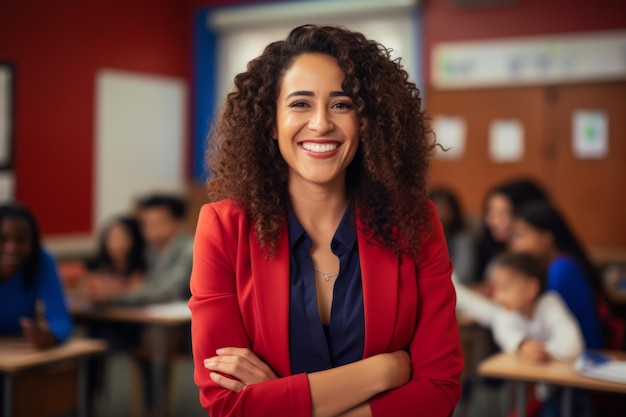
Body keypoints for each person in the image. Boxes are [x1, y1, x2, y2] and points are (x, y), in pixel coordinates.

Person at [189, 25, 463, 417]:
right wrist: (383, 371)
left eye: (342, 104)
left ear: (367, 120)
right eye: (300, 104)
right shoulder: (223, 227)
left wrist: (280, 400)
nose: (321, 124)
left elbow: (438, 392)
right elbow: (227, 405)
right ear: (271, 121)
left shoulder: (414, 223)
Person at [509, 200, 604, 350]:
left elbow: (540, 321)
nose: (514, 245)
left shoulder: (562, 269)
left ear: (546, 238)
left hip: (580, 357)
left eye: (521, 235)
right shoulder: (552, 266)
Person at [489, 252, 584, 363]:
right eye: (496, 289)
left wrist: (540, 351)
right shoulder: (508, 310)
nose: (497, 297)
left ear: (531, 288)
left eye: (505, 288)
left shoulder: (549, 304)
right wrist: (522, 345)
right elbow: (502, 332)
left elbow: (573, 345)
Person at [0, 204, 73, 348]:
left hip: (19, 353)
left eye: (21, 240)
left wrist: (50, 336)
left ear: (33, 242)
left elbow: (61, 320)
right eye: (3, 239)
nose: (12, 248)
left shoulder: (42, 261)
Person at [117, 194, 193, 306]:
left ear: (179, 223)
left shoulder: (190, 250)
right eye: (146, 224)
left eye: (158, 223)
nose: (151, 230)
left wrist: (120, 294)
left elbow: (169, 291)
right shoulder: (150, 251)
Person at [475, 178, 548, 284]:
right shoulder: (491, 250)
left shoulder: (533, 254)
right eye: (490, 212)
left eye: (502, 213)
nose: (493, 221)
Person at [79, 215, 146, 303]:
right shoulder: (98, 266)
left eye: (122, 237)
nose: (116, 244)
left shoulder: (146, 266)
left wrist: (121, 291)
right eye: (112, 238)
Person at [429, 187, 477, 285]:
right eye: (434, 208)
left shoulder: (463, 239)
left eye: (443, 208)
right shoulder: (420, 239)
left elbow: (463, 276)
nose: (439, 213)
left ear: (453, 211)